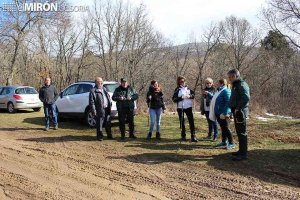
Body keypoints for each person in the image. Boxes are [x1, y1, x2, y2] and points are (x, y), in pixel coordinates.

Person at [228, 69, 250, 161]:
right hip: (236, 112)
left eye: (230, 77)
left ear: (235, 76)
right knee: (239, 132)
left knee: (242, 133)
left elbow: (246, 97)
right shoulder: (235, 85)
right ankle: (241, 151)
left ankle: (243, 154)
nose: (229, 79)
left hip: (240, 113)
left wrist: (238, 108)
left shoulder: (242, 84)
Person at [209, 79, 234, 150]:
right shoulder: (219, 90)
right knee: (223, 128)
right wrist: (208, 94)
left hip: (223, 114)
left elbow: (228, 102)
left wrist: (225, 113)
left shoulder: (226, 91)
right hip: (218, 113)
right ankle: (224, 141)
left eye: (218, 83)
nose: (216, 84)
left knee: (226, 128)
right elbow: (215, 99)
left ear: (222, 84)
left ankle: (231, 143)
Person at [172, 76, 198, 142]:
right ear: (178, 82)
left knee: (191, 121)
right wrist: (181, 97)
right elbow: (174, 99)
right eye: (181, 82)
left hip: (188, 107)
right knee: (182, 122)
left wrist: (190, 96)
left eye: (183, 81)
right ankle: (183, 136)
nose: (183, 83)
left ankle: (193, 136)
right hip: (180, 108)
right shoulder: (177, 89)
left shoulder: (188, 88)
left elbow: (193, 95)